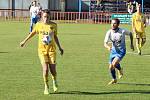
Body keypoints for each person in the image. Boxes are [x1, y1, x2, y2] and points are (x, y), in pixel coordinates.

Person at [20, 9, 64, 94]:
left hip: (51, 51)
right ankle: (46, 86)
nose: (46, 19)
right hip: (42, 51)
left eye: (47, 17)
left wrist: (60, 48)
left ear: (50, 16)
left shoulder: (54, 25)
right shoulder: (38, 25)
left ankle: (54, 80)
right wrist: (24, 41)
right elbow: (32, 33)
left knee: (53, 70)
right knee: (45, 69)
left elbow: (55, 36)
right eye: (44, 17)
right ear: (42, 16)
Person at [104, 18, 134, 85]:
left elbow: (130, 34)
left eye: (114, 23)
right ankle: (114, 79)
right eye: (111, 23)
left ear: (118, 24)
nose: (112, 25)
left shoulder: (122, 31)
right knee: (110, 67)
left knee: (114, 64)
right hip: (113, 51)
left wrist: (131, 44)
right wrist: (108, 47)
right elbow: (105, 43)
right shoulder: (109, 32)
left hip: (121, 51)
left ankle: (120, 70)